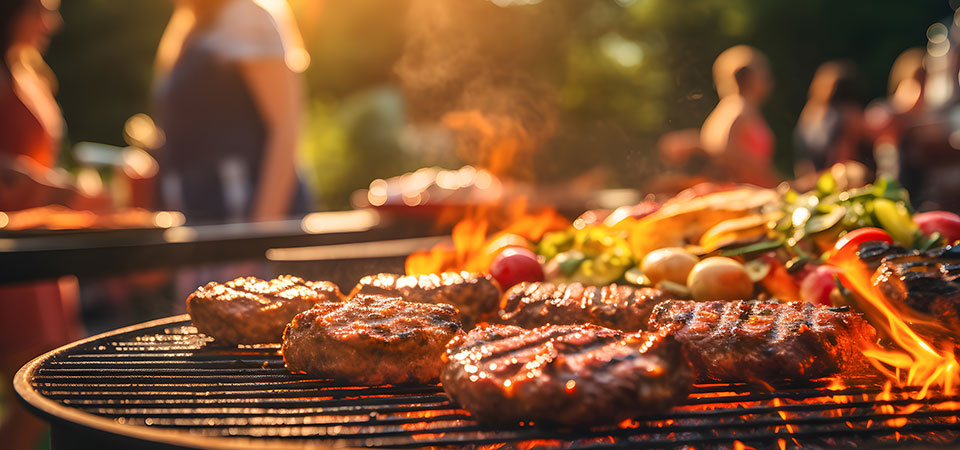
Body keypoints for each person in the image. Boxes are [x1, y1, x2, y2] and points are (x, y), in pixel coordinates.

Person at [153, 0, 310, 223]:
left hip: (242, 212)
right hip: (200, 214)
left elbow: (286, 127)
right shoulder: (189, 27)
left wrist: (258, 238)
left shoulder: (246, 17)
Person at [700, 45, 778, 187]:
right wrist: (758, 168)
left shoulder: (740, 108)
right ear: (751, 78)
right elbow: (721, 148)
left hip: (753, 189)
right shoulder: (737, 109)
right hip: (744, 191)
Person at [794, 61, 871, 177]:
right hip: (836, 181)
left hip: (818, 180)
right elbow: (842, 161)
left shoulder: (809, 113)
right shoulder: (848, 115)